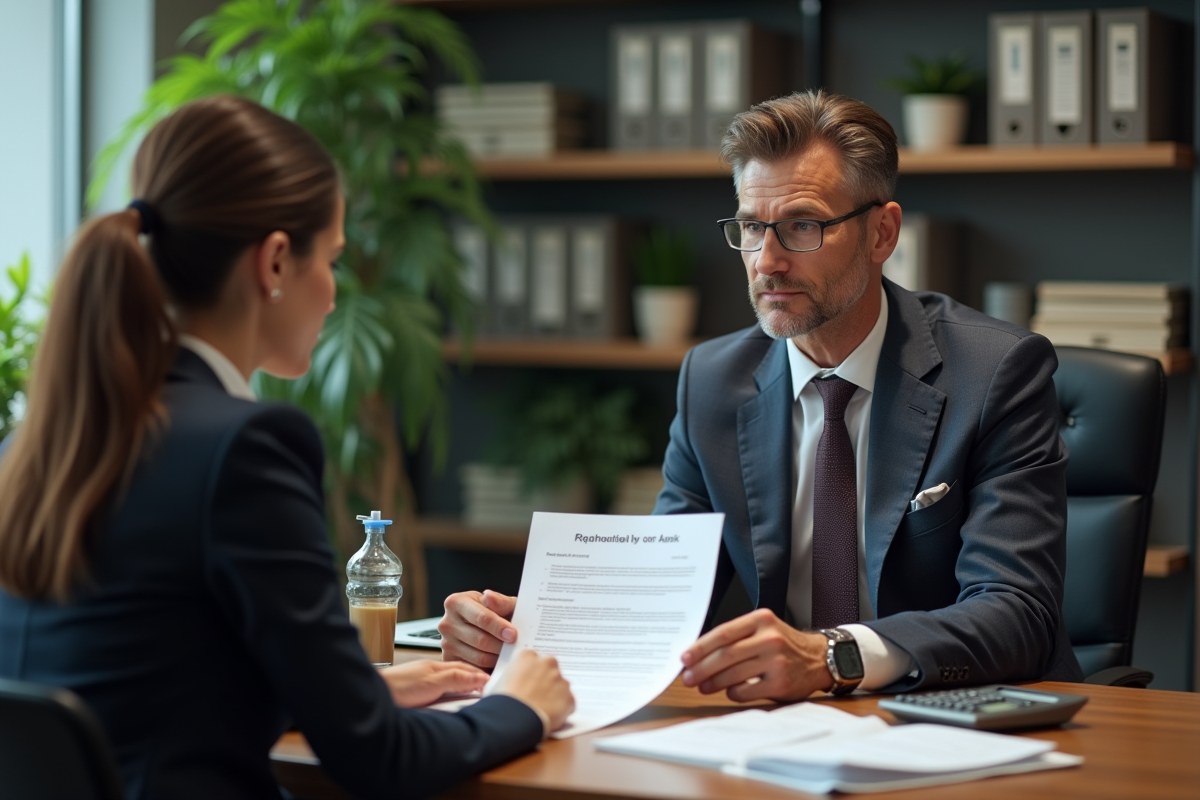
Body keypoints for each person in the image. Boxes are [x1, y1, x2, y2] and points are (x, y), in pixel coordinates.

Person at [0, 95, 573, 800]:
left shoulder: (41, 443)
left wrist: (356, 691)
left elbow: (152, 680)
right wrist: (521, 708)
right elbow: (379, 761)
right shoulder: (243, 446)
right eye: (331, 259)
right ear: (274, 262)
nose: (334, 294)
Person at [439, 89, 1083, 701]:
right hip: (784, 727)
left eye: (802, 226)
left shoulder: (996, 371)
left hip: (958, 719)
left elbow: (1017, 612)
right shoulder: (713, 380)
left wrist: (833, 656)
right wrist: (537, 631)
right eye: (751, 227)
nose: (767, 261)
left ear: (883, 234)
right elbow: (663, 592)